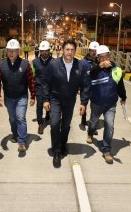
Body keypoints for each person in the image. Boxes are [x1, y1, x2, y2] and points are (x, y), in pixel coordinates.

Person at [42, 40, 90, 168]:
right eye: (67, 49)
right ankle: (56, 151)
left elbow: (85, 85)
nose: (69, 52)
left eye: (72, 50)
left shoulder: (80, 66)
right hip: (55, 99)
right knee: (54, 123)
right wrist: (45, 99)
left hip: (70, 100)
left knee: (66, 125)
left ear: (75, 51)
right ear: (63, 50)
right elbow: (45, 82)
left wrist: (83, 103)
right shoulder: (53, 65)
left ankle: (63, 144)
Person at [86, 45, 127, 164]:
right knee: (93, 122)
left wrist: (123, 97)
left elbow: (120, 85)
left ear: (109, 56)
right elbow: (90, 75)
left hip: (110, 104)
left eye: (106, 56)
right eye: (101, 57)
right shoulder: (93, 68)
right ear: (97, 58)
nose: (104, 59)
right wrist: (99, 67)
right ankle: (90, 132)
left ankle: (107, 150)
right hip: (96, 103)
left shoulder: (116, 69)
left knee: (109, 126)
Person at [0, 39, 35, 152]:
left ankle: (21, 141)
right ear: (6, 51)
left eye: (14, 51)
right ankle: (15, 134)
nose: (11, 53)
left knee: (20, 117)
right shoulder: (1, 65)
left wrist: (32, 96)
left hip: (22, 96)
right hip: (8, 97)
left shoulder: (25, 64)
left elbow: (31, 81)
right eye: (9, 51)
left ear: (18, 51)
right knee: (13, 118)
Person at [32, 40, 54, 135]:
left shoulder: (54, 62)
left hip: (51, 88)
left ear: (49, 50)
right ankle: (40, 124)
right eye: (42, 51)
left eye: (46, 51)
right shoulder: (35, 62)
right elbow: (32, 75)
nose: (44, 53)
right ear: (39, 51)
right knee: (39, 106)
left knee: (50, 105)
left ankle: (48, 114)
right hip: (39, 87)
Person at [80, 41, 99, 128]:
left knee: (95, 108)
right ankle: (83, 120)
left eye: (95, 50)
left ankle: (93, 125)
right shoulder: (83, 62)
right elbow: (78, 75)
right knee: (84, 104)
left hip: (96, 89)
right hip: (85, 88)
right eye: (92, 50)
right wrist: (78, 87)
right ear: (89, 50)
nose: (94, 52)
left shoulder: (99, 63)